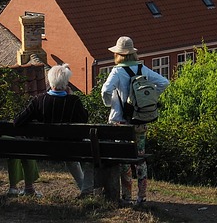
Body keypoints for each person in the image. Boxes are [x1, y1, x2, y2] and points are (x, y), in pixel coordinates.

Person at [100, 36, 169, 205]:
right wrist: (148, 99)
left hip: (120, 122)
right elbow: (164, 82)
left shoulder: (117, 71)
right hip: (140, 120)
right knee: (140, 158)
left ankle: (127, 196)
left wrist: (111, 104)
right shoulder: (142, 68)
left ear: (119, 54)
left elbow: (105, 91)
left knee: (124, 161)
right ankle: (142, 196)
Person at [15, 63, 92, 197]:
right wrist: (71, 95)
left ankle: (84, 189)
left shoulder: (39, 100)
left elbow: (18, 121)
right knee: (89, 153)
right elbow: (84, 119)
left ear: (50, 81)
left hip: (44, 148)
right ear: (66, 83)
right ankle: (86, 190)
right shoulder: (73, 101)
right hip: (70, 148)